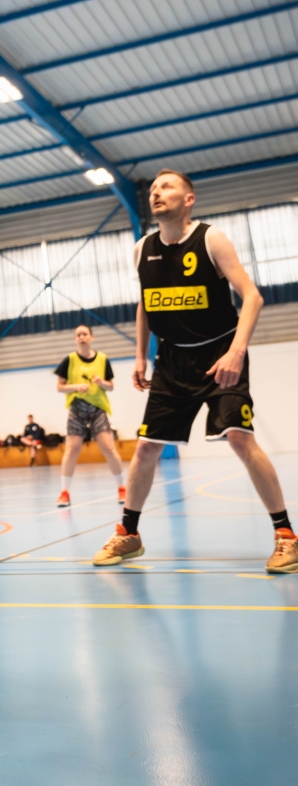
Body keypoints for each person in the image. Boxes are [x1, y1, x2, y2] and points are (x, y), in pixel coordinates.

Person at [93, 169, 298, 573]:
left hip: (220, 353)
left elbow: (253, 297)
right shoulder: (141, 249)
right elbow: (146, 303)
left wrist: (237, 352)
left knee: (240, 438)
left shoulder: (210, 239)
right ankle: (129, 533)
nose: (156, 193)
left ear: (189, 199)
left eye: (166, 187)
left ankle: (286, 536)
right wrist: (140, 355)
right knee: (147, 447)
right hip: (171, 361)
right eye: (153, 189)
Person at [54, 324, 125, 508]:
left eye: (85, 334)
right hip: (77, 408)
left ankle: (122, 487)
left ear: (91, 337)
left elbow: (111, 386)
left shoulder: (102, 359)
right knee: (72, 449)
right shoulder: (69, 360)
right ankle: (64, 492)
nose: (82, 337)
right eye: (78, 335)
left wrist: (102, 383)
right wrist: (76, 387)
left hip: (97, 408)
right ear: (75, 339)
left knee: (108, 447)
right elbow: (59, 387)